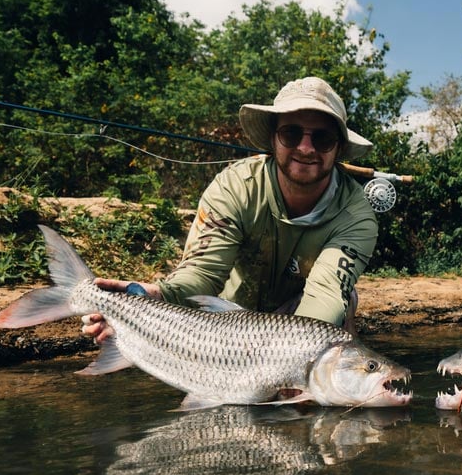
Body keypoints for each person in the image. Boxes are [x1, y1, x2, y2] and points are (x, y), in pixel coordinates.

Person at [81, 76, 378, 342]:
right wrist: (153, 295)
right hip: (227, 325)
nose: (305, 148)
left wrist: (297, 360)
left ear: (339, 148)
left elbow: (326, 293)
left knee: (345, 298)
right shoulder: (233, 188)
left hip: (301, 322)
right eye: (291, 134)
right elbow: (201, 274)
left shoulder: (356, 215)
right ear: (273, 139)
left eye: (323, 138)